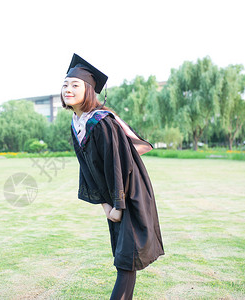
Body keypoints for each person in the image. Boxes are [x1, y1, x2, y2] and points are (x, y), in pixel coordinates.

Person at [61, 53, 164, 300]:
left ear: (89, 90)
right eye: (65, 84)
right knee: (124, 259)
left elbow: (118, 166)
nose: (68, 89)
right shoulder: (78, 123)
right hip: (114, 196)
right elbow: (86, 169)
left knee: (126, 260)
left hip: (129, 191)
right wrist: (105, 204)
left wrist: (118, 204)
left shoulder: (102, 122)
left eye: (75, 85)